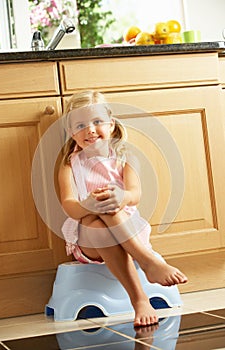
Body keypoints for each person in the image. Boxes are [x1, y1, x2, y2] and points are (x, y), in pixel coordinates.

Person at [58, 90, 188, 327]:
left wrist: (121, 196)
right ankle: (141, 292)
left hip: (127, 231)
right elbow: (69, 206)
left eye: (97, 122)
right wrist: (87, 205)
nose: (90, 129)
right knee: (95, 219)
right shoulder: (69, 165)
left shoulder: (126, 157)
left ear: (111, 125)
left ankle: (145, 263)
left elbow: (134, 194)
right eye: (81, 124)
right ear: (71, 132)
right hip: (90, 241)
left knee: (110, 203)